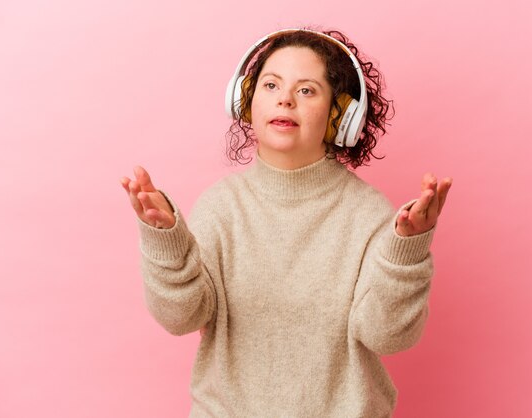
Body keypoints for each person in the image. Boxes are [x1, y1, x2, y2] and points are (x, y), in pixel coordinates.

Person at [120, 28, 452, 417]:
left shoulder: (369, 214)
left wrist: (405, 255)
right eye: (271, 84)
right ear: (244, 101)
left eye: (307, 90)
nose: (284, 98)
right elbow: (181, 318)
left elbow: (388, 336)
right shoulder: (221, 207)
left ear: (340, 116)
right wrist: (166, 241)